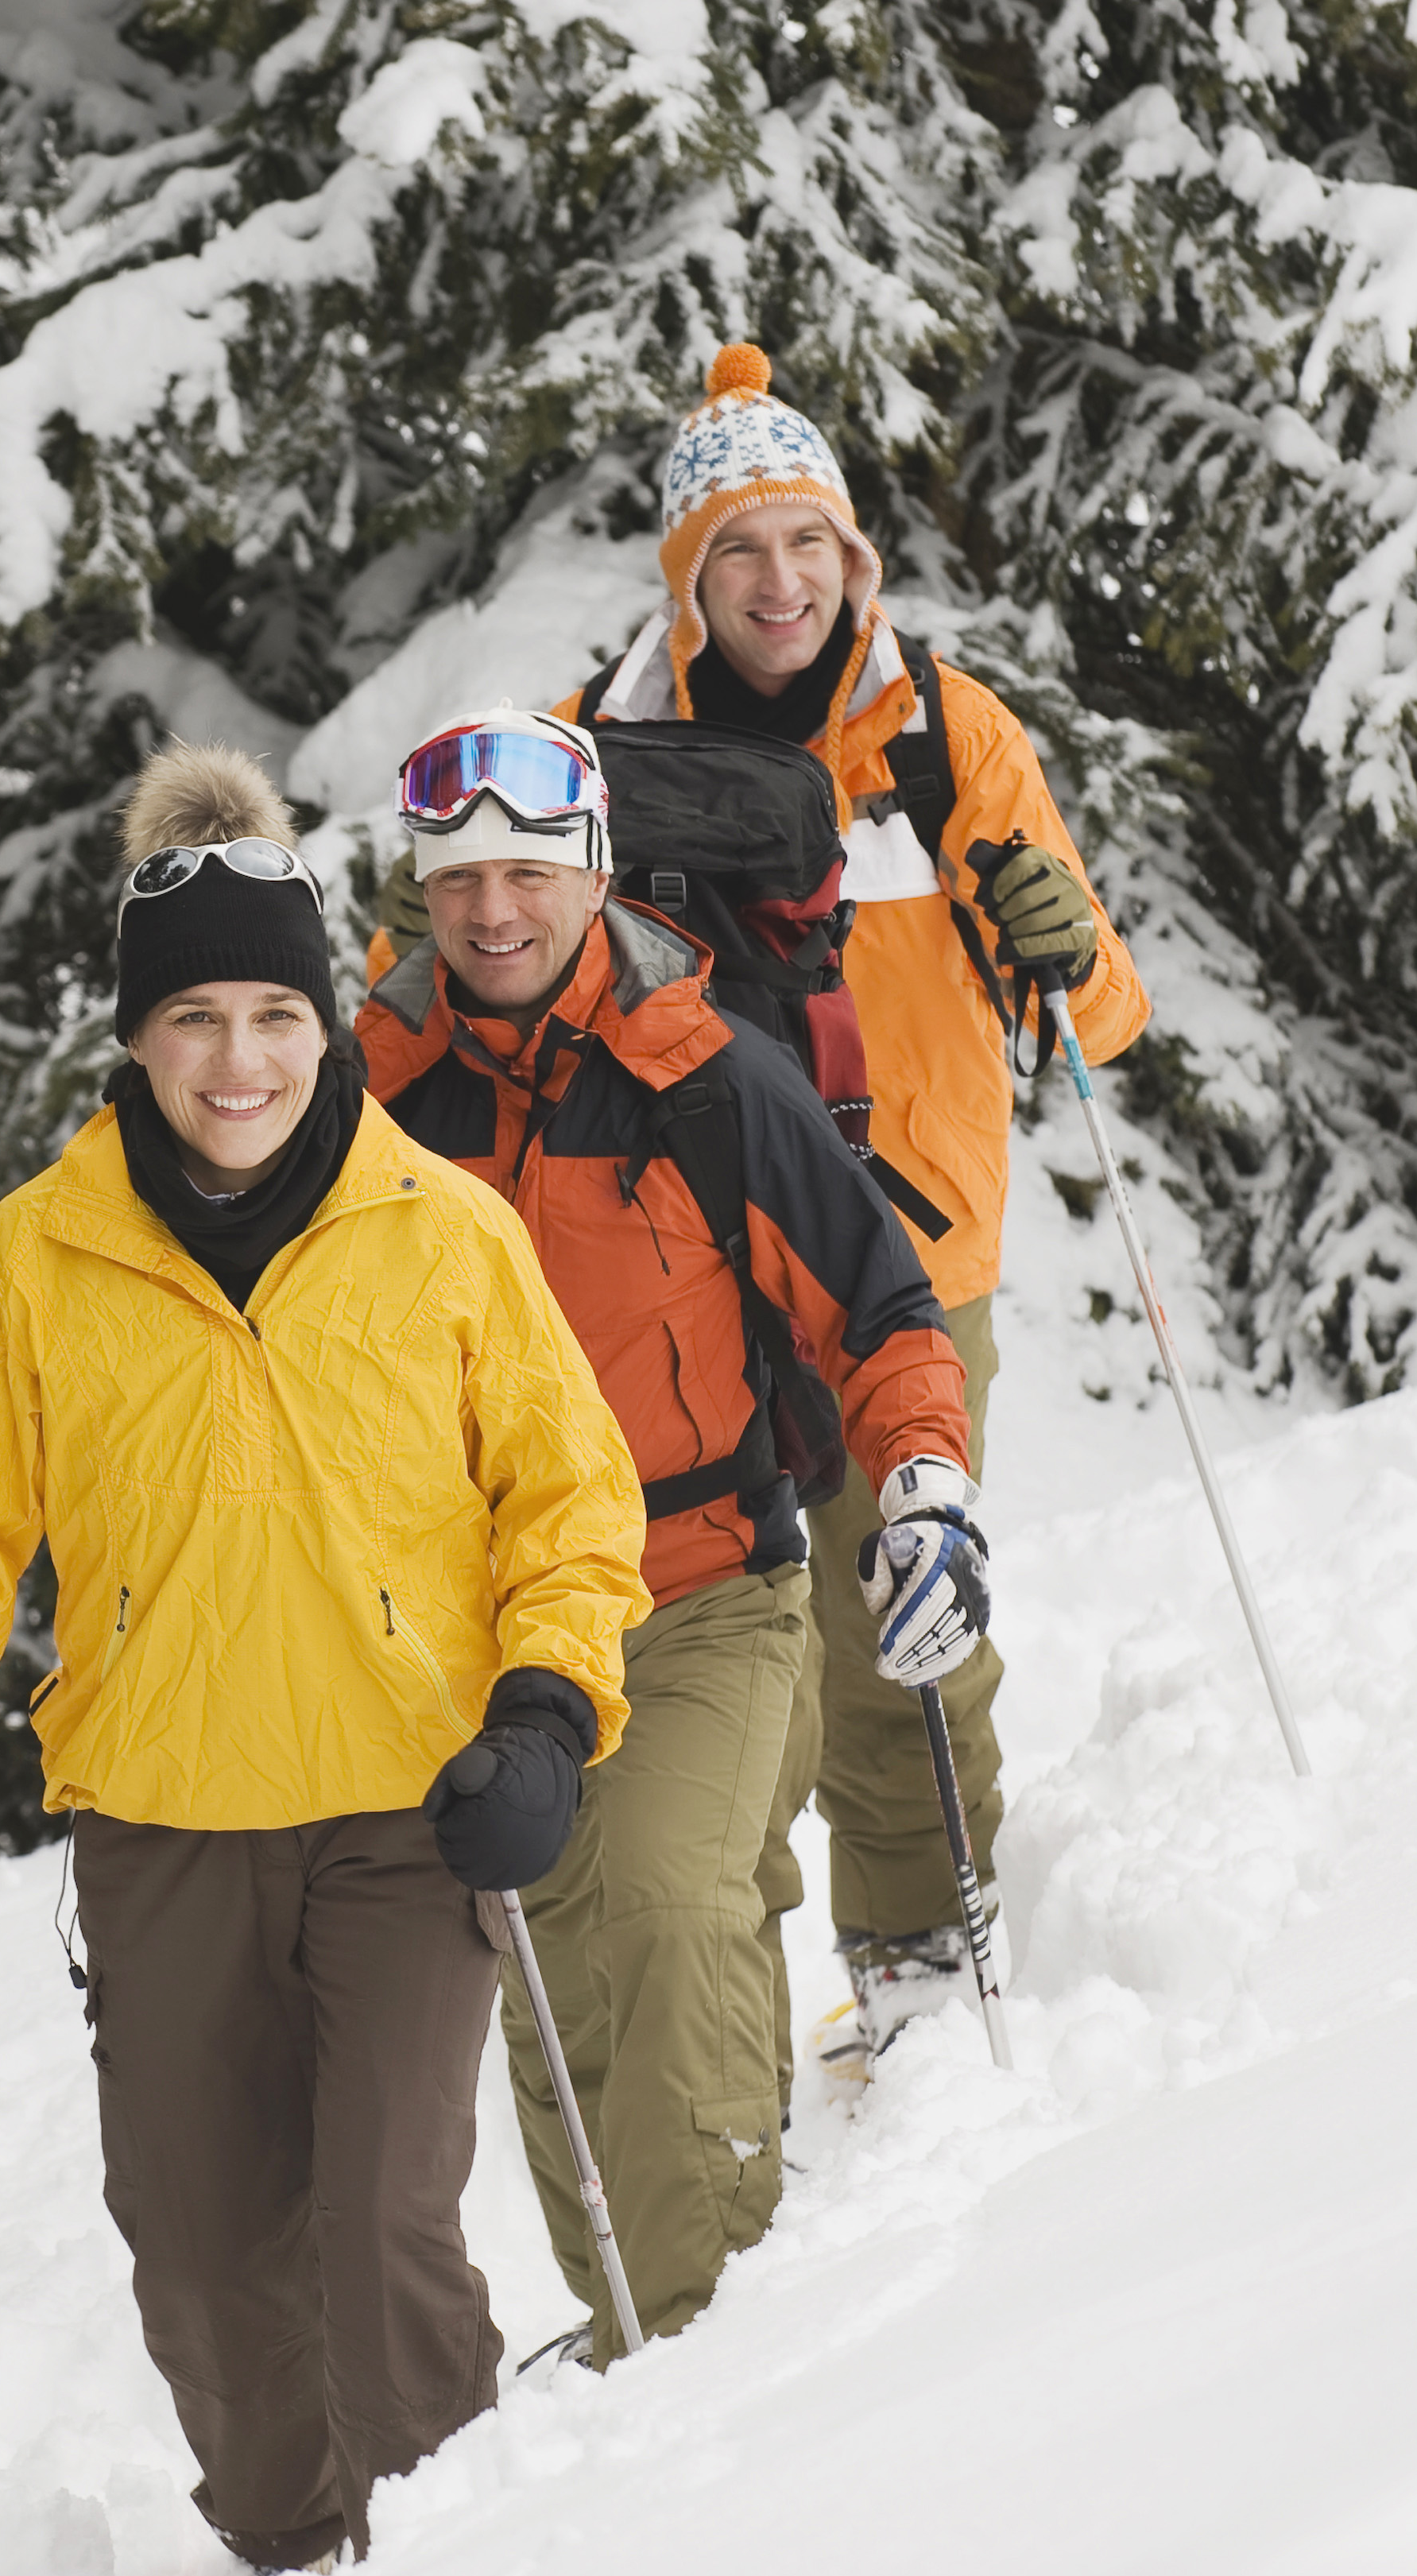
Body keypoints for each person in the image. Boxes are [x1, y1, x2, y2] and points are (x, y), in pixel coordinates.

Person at [0, 744, 647, 2574]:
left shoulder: (445, 1236)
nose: (241, 1062)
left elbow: (570, 1509)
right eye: (195, 1020)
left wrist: (545, 1712)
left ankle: (455, 2540)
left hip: (412, 1813)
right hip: (166, 1820)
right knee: (200, 2253)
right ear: (135, 1039)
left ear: (333, 1025)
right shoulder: (40, 1260)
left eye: (278, 1014)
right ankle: (291, 2543)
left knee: (382, 2230)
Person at [353, 709, 978, 2361]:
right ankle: (637, 2320)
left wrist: (922, 1485)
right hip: (495, 1639)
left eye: (529, 873)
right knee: (564, 1985)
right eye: (461, 877)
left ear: (593, 872)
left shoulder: (706, 1079)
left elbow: (882, 1307)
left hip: (710, 1589)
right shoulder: (375, 1107)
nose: (495, 911)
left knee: (675, 1902)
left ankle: (719, 2354)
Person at [564, 341, 1152, 2053]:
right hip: (676, 1263)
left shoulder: (944, 736)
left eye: (808, 544)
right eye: (739, 550)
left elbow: (1103, 1017)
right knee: (711, 1642)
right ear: (688, 578)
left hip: (913, 1248)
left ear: (854, 561)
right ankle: (725, 1996)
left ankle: (915, 1952)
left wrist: (1065, 944)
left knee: (909, 1608)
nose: (779, 583)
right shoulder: (595, 749)